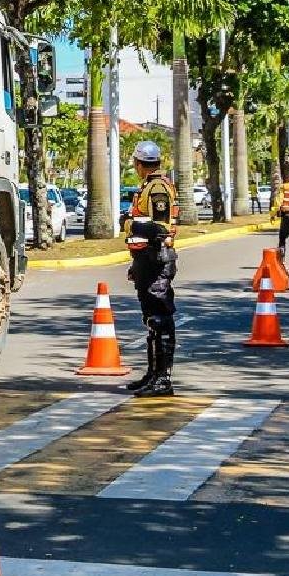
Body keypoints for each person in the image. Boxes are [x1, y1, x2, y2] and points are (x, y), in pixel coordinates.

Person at [122, 141, 179, 397]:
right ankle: (153, 374)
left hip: (157, 257)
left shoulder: (157, 188)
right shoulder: (149, 185)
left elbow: (161, 227)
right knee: (151, 320)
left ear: (138, 163)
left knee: (159, 319)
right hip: (146, 258)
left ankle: (163, 379)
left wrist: (132, 225)